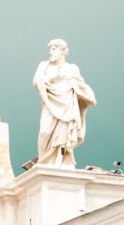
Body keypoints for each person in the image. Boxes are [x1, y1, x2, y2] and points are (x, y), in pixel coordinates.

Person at [33, 39, 96, 167]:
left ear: (62, 51)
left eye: (54, 49)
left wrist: (88, 95)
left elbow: (80, 84)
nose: (51, 52)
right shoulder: (43, 66)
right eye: (50, 49)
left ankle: (60, 161)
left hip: (67, 104)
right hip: (50, 102)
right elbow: (36, 82)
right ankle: (45, 160)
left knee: (63, 134)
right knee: (45, 131)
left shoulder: (71, 68)